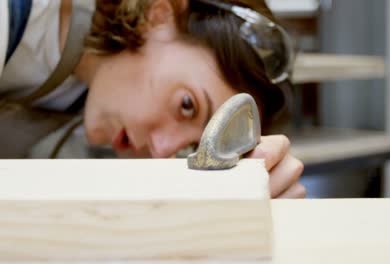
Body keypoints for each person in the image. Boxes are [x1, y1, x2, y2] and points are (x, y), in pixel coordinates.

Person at [0, 0, 306, 198]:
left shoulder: (88, 96)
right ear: (158, 15)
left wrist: (248, 194)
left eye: (191, 146)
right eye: (186, 105)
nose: (161, 151)